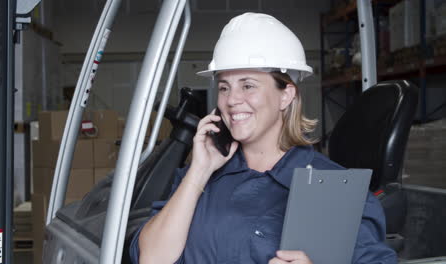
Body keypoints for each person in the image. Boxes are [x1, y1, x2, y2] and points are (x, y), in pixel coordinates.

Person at [130, 12, 397, 264]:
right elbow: (151, 258)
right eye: (224, 87)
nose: (232, 100)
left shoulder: (330, 189)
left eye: (248, 85)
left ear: (286, 95)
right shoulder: (203, 176)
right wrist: (199, 171)